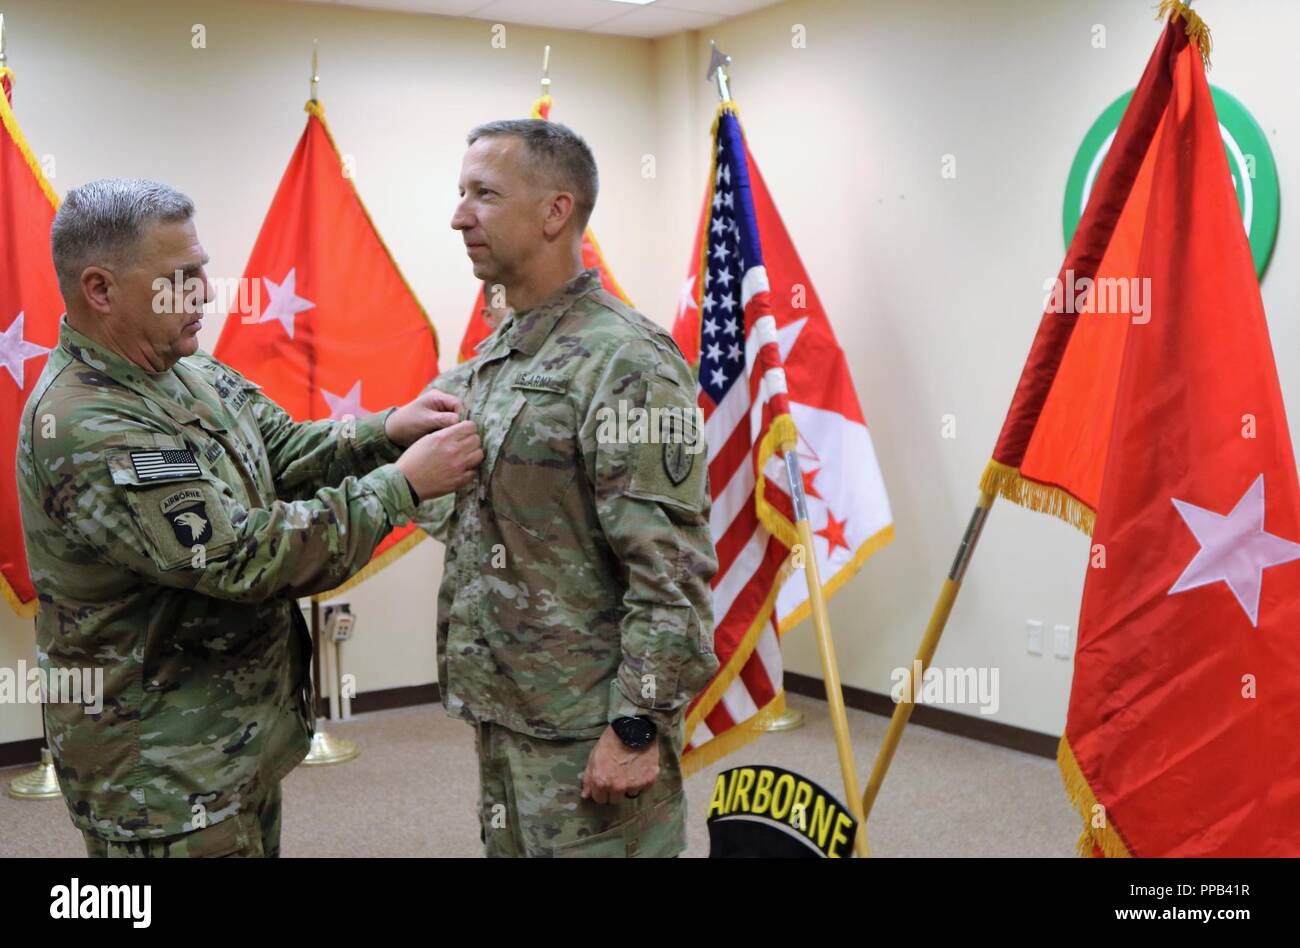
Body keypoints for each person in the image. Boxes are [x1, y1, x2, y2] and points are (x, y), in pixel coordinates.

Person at [16, 178, 482, 857]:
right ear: (101, 290)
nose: (206, 292)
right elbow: (242, 559)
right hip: (163, 777)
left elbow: (280, 448)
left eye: (202, 270)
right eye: (181, 278)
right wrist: (400, 488)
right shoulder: (88, 424)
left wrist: (387, 428)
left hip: (228, 748)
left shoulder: (180, 371)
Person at [431, 119, 719, 857]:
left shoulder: (629, 362)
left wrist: (635, 727)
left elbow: (672, 572)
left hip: (590, 727)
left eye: (484, 194)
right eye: (461, 193)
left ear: (556, 212)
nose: (459, 215)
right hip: (510, 714)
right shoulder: (504, 350)